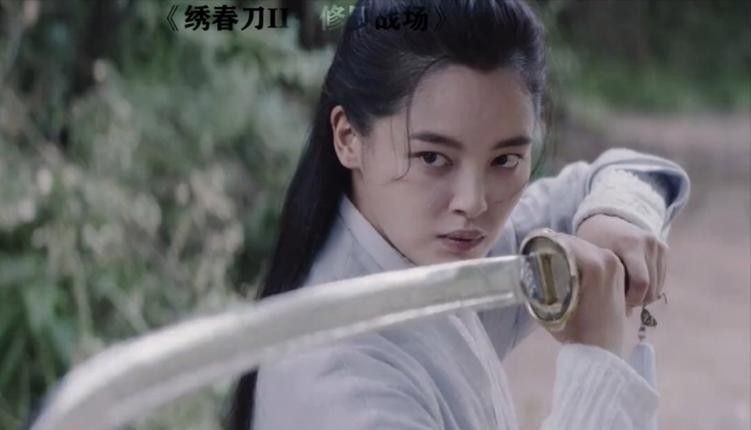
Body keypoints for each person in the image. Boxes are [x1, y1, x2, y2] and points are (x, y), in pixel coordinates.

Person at [226, 1, 690, 429]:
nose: (474, 202)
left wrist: (610, 216)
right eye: (433, 158)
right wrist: (595, 362)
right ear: (349, 138)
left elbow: (628, 173)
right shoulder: (338, 383)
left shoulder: (436, 259)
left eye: (505, 160)